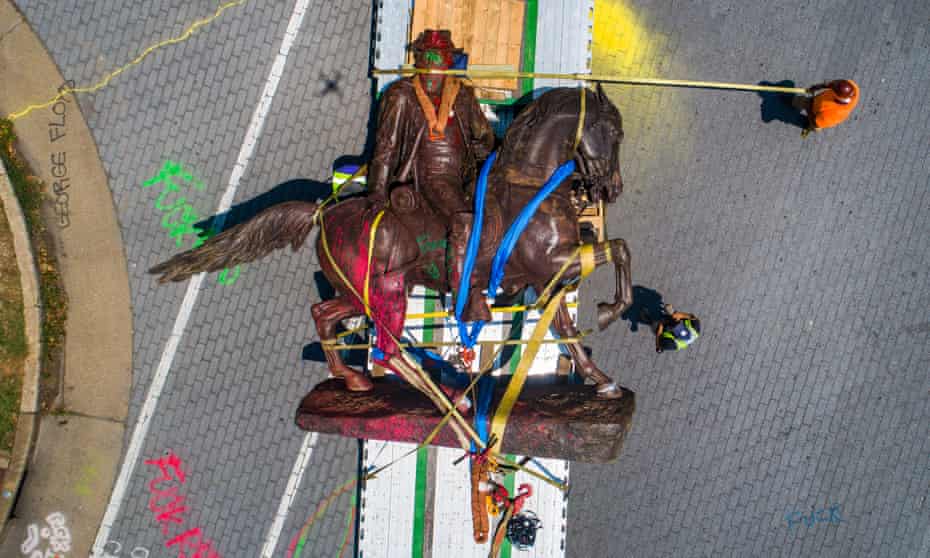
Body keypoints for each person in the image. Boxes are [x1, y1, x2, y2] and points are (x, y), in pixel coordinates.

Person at [367, 29, 496, 322]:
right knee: (463, 219)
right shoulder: (402, 95)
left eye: (441, 59)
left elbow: (482, 138)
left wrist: (492, 156)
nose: (435, 67)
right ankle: (465, 294)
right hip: (425, 177)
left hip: (461, 175)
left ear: (449, 62)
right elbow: (385, 148)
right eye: (429, 58)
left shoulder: (462, 95)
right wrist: (375, 194)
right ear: (420, 61)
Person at [792, 79, 860, 137]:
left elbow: (815, 123)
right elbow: (831, 84)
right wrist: (816, 87)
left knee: (814, 124)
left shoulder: (836, 114)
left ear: (837, 96)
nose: (832, 84)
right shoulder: (853, 87)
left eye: (833, 87)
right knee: (814, 122)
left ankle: (810, 126)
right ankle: (810, 125)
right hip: (817, 103)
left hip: (818, 115)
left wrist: (808, 107)